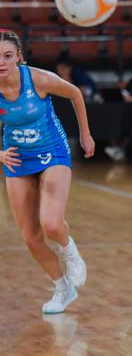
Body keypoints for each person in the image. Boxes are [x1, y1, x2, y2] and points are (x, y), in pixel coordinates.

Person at [0, 29, 94, 314]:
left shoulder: (37, 79)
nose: (1, 62)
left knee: (52, 224)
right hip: (17, 159)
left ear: (18, 57)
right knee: (30, 236)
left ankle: (70, 252)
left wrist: (85, 135)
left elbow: (75, 93)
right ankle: (63, 288)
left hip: (52, 151)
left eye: (7, 55)